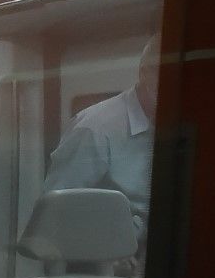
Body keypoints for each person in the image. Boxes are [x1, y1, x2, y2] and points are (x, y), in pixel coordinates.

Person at [43, 39, 158, 237]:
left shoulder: (165, 125)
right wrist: (112, 247)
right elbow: (56, 214)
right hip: (103, 260)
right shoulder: (95, 129)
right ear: (144, 73)